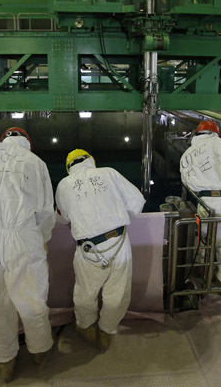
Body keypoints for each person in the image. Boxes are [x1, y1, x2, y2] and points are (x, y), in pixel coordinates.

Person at [0, 127, 55, 383]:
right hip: (21, 237)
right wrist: (42, 239)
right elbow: (45, 211)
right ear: (27, 143)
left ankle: (3, 360)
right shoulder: (35, 162)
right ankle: (40, 351)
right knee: (31, 299)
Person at [55, 149, 145, 351]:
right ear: (91, 161)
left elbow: (62, 218)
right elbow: (137, 201)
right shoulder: (109, 173)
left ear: (69, 167)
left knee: (85, 293)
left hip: (88, 249)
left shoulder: (64, 185)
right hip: (119, 243)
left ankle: (86, 327)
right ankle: (107, 330)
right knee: (118, 293)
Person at [180, 120, 221, 286]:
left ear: (196, 135)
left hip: (204, 202)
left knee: (204, 238)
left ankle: (202, 268)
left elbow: (187, 183)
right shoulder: (218, 143)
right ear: (215, 133)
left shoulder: (186, 154)